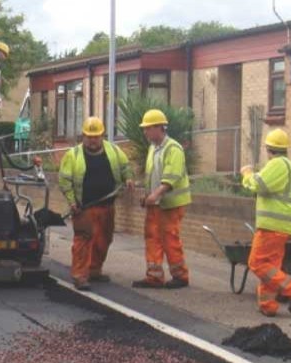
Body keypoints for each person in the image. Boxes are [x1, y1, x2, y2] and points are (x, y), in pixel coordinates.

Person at [58, 116, 133, 291]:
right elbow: (65, 181)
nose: (92, 140)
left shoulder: (113, 151)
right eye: (89, 137)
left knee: (103, 240)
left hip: (107, 206)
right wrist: (71, 201)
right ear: (83, 136)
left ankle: (94, 270)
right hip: (84, 207)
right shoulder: (73, 155)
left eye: (96, 136)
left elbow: (125, 167)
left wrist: (128, 178)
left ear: (102, 136)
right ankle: (79, 275)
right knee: (83, 241)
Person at [240, 129, 291, 316]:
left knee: (256, 263)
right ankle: (268, 306)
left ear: (269, 149)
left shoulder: (278, 164)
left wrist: (247, 174)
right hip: (283, 226)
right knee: (270, 268)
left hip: (272, 225)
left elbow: (258, 185)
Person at [132, 109, 192, 289]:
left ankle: (180, 276)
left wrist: (156, 194)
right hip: (155, 204)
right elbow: (151, 175)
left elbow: (171, 178)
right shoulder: (153, 148)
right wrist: (146, 194)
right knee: (152, 238)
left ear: (159, 128)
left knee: (169, 239)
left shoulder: (173, 148)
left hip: (170, 204)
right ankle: (154, 276)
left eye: (148, 128)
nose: (145, 132)